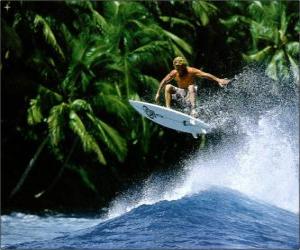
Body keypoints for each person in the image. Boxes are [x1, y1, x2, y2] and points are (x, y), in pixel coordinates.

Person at [155, 56, 230, 117]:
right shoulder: (174, 72)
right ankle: (168, 109)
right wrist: (158, 93)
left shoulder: (191, 71)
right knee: (168, 86)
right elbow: (164, 80)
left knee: (191, 86)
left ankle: (193, 110)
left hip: (191, 94)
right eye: (176, 67)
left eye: (180, 66)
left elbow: (205, 75)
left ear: (183, 66)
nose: (178, 69)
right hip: (180, 93)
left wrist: (218, 80)